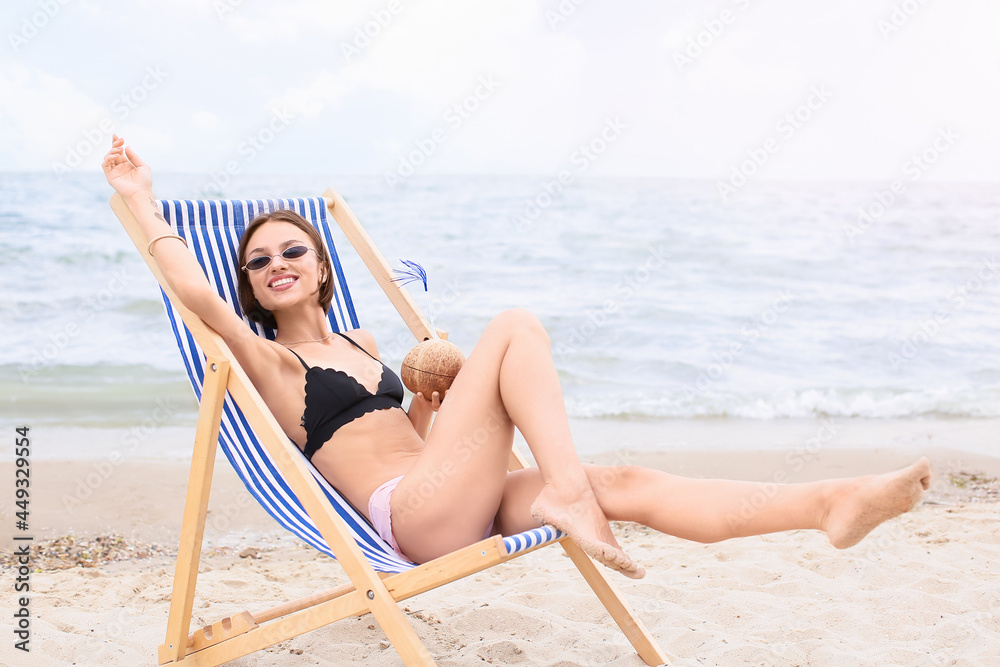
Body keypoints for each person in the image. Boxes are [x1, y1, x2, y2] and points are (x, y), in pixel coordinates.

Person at [103, 136, 932, 579]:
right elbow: (192, 293)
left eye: (294, 249)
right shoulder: (269, 361)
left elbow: (424, 440)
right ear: (249, 284)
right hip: (411, 519)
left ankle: (829, 500)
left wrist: (433, 394)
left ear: (322, 266)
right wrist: (139, 200)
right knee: (512, 326)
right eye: (258, 260)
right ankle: (567, 489)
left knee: (630, 481)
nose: (276, 262)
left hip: (451, 489)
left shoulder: (361, 342)